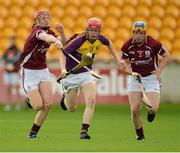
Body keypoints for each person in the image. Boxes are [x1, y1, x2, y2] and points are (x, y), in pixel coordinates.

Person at [58, 17, 123, 139]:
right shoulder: (79, 40)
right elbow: (63, 53)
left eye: (96, 31)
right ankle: (64, 99)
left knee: (91, 100)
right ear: (87, 30)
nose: (94, 33)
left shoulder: (100, 39)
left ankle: (84, 130)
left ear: (99, 31)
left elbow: (109, 44)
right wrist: (63, 70)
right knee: (71, 108)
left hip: (86, 73)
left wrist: (117, 59)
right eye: (91, 30)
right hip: (71, 75)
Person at [119, 21, 169, 140]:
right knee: (135, 109)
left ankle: (151, 114)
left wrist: (159, 70)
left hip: (151, 77)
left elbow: (166, 55)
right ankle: (140, 135)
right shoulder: (127, 45)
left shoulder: (154, 44)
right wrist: (131, 72)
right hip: (135, 78)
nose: (138, 35)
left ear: (145, 33)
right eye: (135, 32)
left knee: (153, 108)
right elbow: (122, 63)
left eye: (140, 33)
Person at [19, 10, 63, 138]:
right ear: (37, 21)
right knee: (38, 106)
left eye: (47, 17)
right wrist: (55, 41)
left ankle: (33, 133)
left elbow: (59, 39)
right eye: (42, 18)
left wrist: (61, 36)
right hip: (29, 71)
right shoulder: (37, 32)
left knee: (48, 104)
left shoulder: (50, 32)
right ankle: (29, 99)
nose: (46, 19)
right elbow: (46, 37)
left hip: (43, 70)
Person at [1, 36, 21, 111]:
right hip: (7, 72)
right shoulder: (7, 50)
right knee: (8, 88)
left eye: (12, 41)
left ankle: (18, 104)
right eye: (10, 41)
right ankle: (8, 104)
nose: (10, 42)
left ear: (14, 41)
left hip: (14, 72)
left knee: (16, 88)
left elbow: (18, 59)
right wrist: (6, 65)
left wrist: (12, 65)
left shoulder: (17, 50)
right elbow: (3, 58)